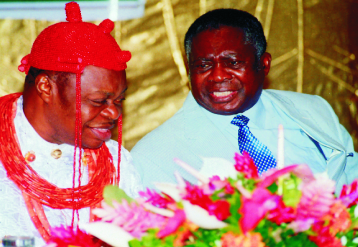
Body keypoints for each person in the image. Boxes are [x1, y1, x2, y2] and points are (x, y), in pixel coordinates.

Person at [0, 2, 142, 247]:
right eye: (99, 100)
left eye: (119, 100)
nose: (113, 112)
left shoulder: (116, 160)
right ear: (46, 87)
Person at [131, 8, 357, 193]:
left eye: (233, 63)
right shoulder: (155, 153)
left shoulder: (314, 111)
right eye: (203, 65)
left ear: (264, 64)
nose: (218, 75)